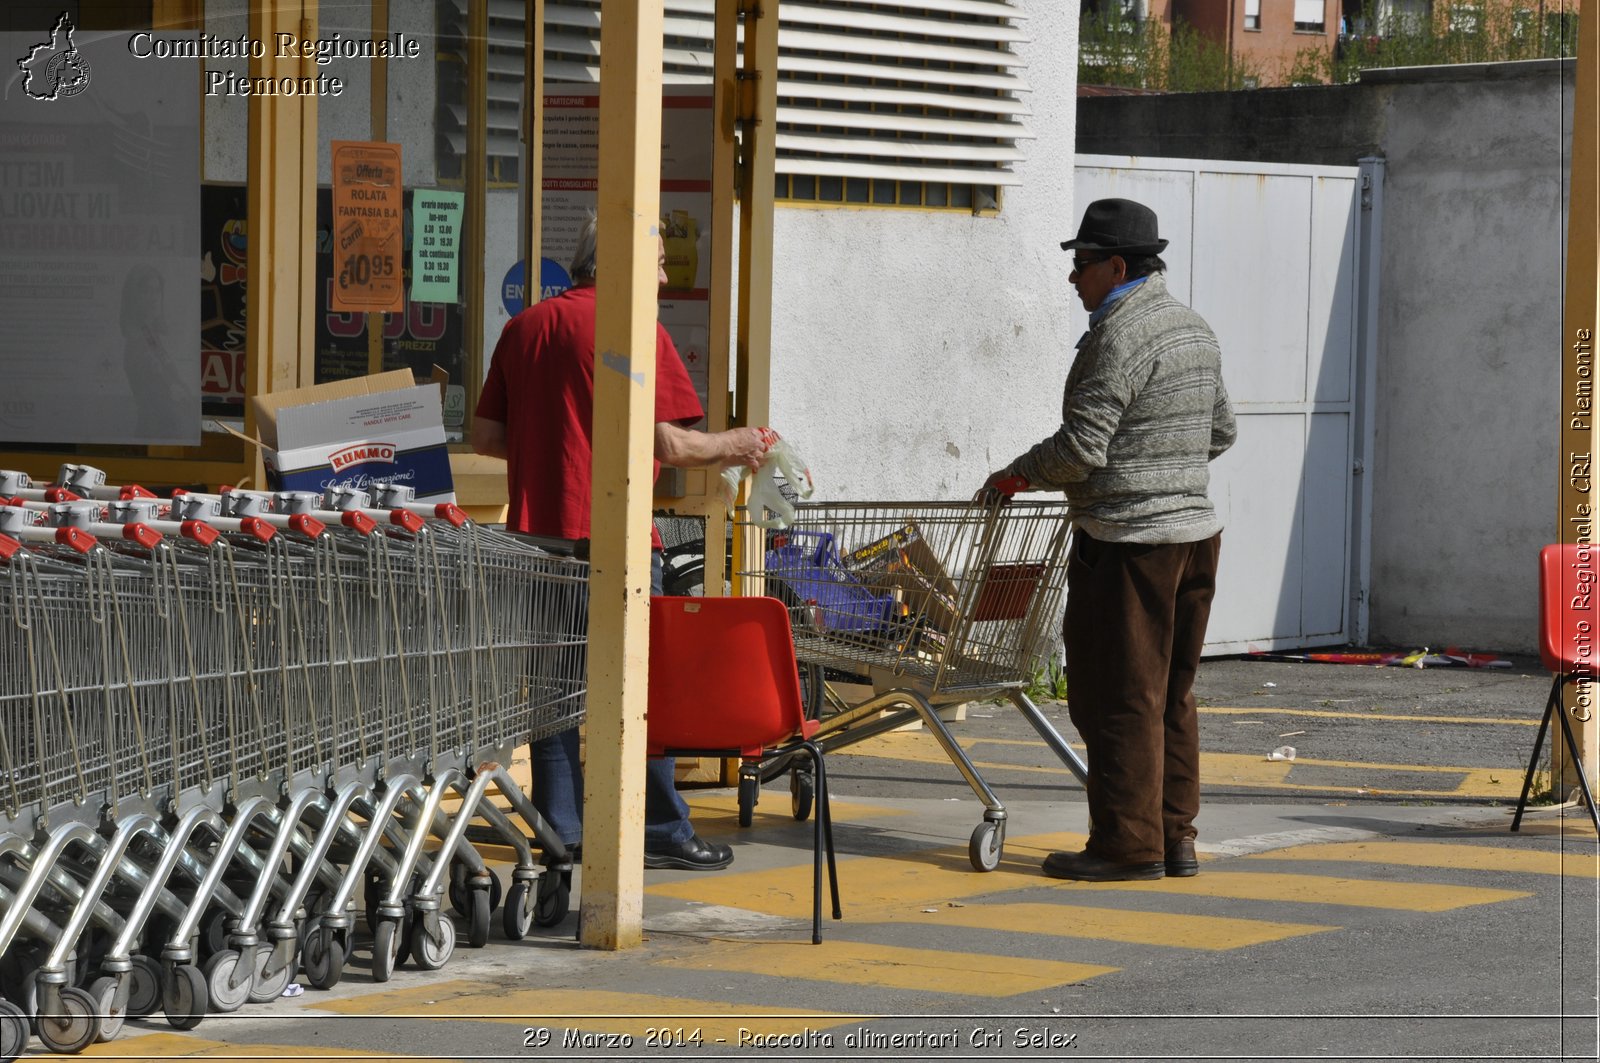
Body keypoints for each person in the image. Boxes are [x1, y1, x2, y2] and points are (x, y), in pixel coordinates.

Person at [472, 216, 770, 871]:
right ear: (624, 266)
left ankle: (562, 829)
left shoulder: (524, 328)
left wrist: (554, 439)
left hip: (536, 538)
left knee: (553, 691)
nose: (664, 277)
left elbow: (486, 437)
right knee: (637, 689)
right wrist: (739, 443)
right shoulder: (636, 331)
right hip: (617, 540)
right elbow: (672, 445)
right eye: (658, 262)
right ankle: (659, 827)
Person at [980, 198, 1237, 882]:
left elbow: (1082, 447)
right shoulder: (1194, 330)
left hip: (1129, 542)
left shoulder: (1116, 337)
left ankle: (1126, 843)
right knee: (1172, 692)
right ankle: (1174, 837)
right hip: (1196, 537)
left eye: (1083, 263)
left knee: (1117, 695)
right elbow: (1222, 432)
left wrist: (1016, 474)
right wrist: (1170, 469)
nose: (1074, 278)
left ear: (1118, 266)